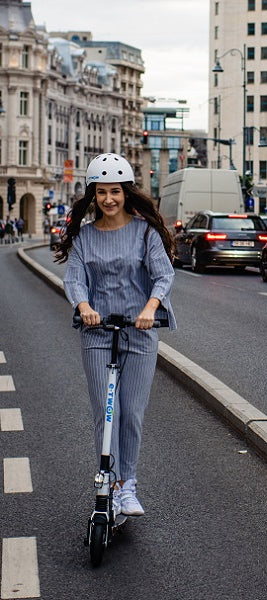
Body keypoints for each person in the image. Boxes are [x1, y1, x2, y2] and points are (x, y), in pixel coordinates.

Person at [55, 153, 176, 516]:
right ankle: (110, 481)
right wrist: (83, 306)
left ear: (126, 193)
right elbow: (74, 278)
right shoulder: (84, 237)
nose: (109, 199)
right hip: (97, 333)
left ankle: (128, 487)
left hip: (139, 334)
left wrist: (150, 309)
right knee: (107, 413)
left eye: (116, 192)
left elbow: (164, 276)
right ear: (93, 195)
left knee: (132, 414)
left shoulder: (145, 232)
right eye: (102, 192)